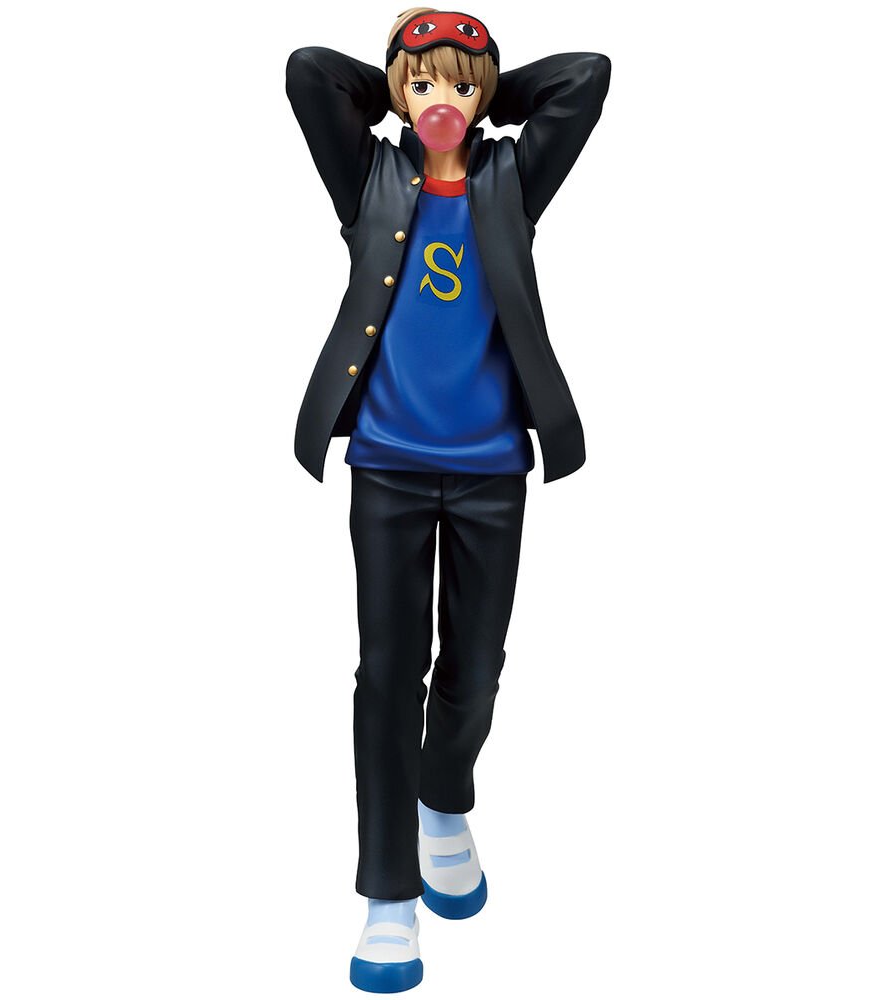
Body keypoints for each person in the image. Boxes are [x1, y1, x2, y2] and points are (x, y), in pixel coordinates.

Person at [285, 7, 611, 992]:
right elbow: (307, 72)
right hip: (387, 462)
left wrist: (486, 92)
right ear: (396, 91)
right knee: (388, 675)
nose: (442, 102)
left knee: (474, 665)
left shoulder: (513, 177)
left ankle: (443, 796)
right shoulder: (368, 176)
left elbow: (587, 76)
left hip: (490, 468)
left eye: (460, 86)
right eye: (422, 84)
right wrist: (404, 80)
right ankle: (388, 894)